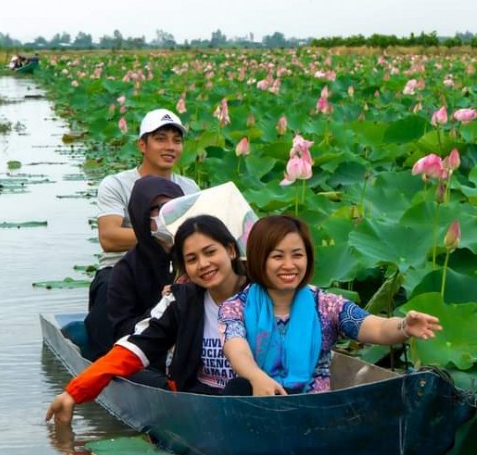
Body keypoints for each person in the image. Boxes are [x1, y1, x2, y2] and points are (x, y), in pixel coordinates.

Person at [45, 215, 248, 424]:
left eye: (210, 252)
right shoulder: (181, 301)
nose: (204, 264)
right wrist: (73, 393)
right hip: (199, 402)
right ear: (184, 267)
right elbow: (133, 347)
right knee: (126, 373)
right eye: (192, 259)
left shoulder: (261, 295)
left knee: (240, 387)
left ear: (231, 250)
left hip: (255, 398)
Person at [219, 215, 442, 397]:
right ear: (259, 259)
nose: (289, 265)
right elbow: (235, 347)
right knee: (237, 387)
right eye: (278, 256)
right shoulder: (236, 307)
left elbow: (373, 326)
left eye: (297, 255)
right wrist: (256, 376)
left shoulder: (325, 305)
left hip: (314, 411)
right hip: (257, 406)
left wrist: (404, 326)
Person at [84, 108, 201, 360]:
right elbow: (110, 237)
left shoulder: (189, 187)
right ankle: (105, 360)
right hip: (122, 270)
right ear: (142, 144)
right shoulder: (116, 184)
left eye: (176, 140)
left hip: (174, 268)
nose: (170, 146)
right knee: (108, 286)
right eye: (160, 139)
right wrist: (159, 233)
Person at [107, 175, 184, 354]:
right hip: (151, 354)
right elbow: (121, 333)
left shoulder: (197, 255)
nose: (167, 214)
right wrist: (160, 309)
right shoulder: (125, 271)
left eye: (173, 206)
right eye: (159, 209)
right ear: (142, 216)